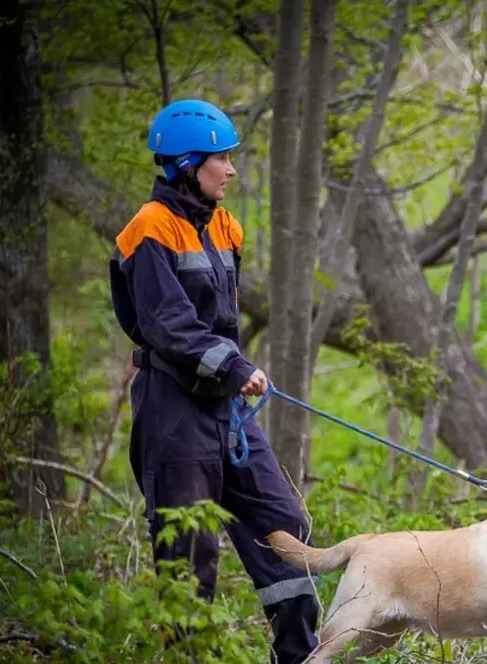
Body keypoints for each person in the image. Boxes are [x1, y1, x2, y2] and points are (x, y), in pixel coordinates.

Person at [109, 98, 319, 662]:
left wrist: (232, 371)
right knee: (188, 552)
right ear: (186, 163)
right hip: (171, 411)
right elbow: (167, 324)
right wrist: (234, 367)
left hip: (223, 409)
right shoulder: (146, 230)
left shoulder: (226, 227)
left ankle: (299, 655)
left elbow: (218, 322)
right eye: (220, 159)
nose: (231, 169)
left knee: (287, 526)